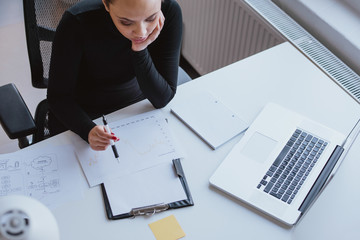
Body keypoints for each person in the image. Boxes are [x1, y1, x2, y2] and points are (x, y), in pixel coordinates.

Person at [47, 0, 182, 151]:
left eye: (150, 18)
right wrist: (87, 130)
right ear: (106, 3)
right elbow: (58, 97)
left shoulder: (170, 11)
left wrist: (140, 49)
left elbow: (162, 98)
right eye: (126, 22)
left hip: (133, 105)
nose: (141, 32)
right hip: (82, 111)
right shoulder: (76, 22)